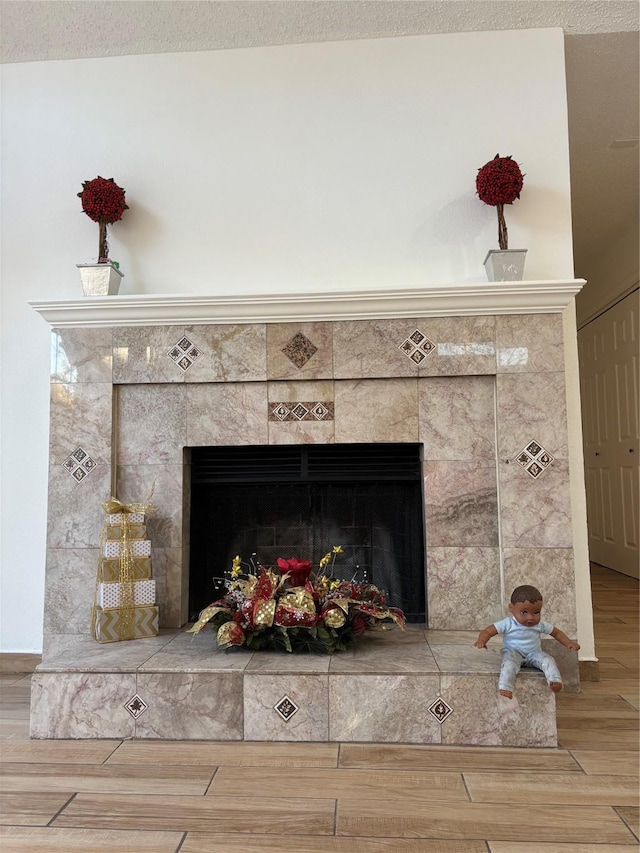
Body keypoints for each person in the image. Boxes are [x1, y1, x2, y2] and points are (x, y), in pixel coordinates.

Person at [474, 584, 580, 699]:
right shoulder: (508, 623)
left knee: (548, 660)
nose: (530, 617)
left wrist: (568, 642)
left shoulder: (540, 625)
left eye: (536, 613)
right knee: (509, 664)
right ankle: (505, 686)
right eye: (524, 612)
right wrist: (482, 640)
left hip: (533, 653)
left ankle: (554, 680)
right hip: (513, 652)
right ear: (511, 608)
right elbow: (488, 631)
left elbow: (557, 633)